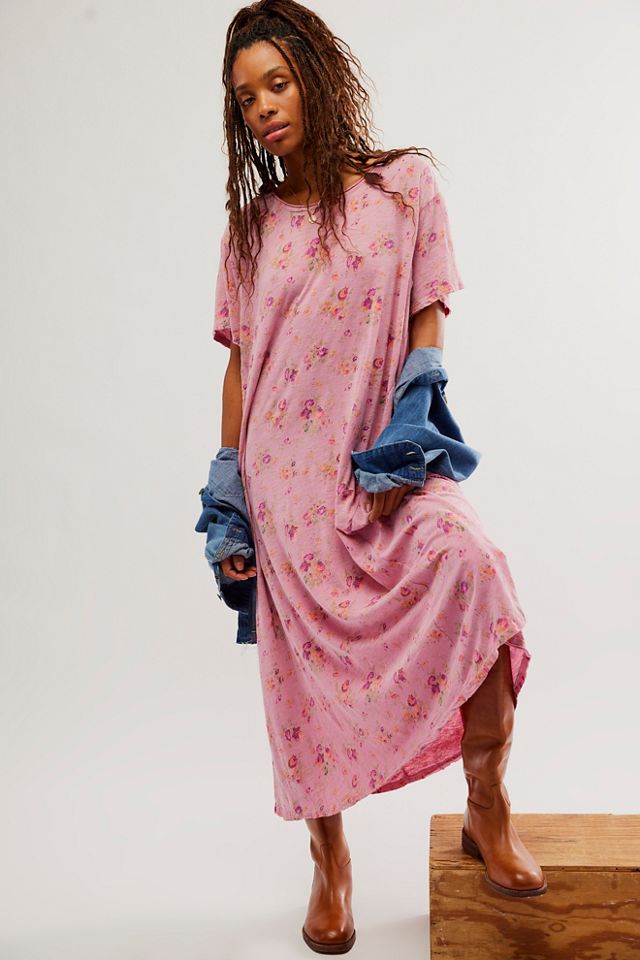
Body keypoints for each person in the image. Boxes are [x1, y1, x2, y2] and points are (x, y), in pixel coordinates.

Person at [209, 0, 547, 952]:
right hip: (285, 491)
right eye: (246, 99)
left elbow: (427, 312)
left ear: (316, 77)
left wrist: (411, 422)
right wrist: (227, 493)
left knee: (472, 566)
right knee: (301, 682)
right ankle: (330, 860)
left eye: (277, 83)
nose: (264, 108)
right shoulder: (250, 230)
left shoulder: (404, 189)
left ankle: (487, 804)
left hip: (382, 468)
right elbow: (241, 364)